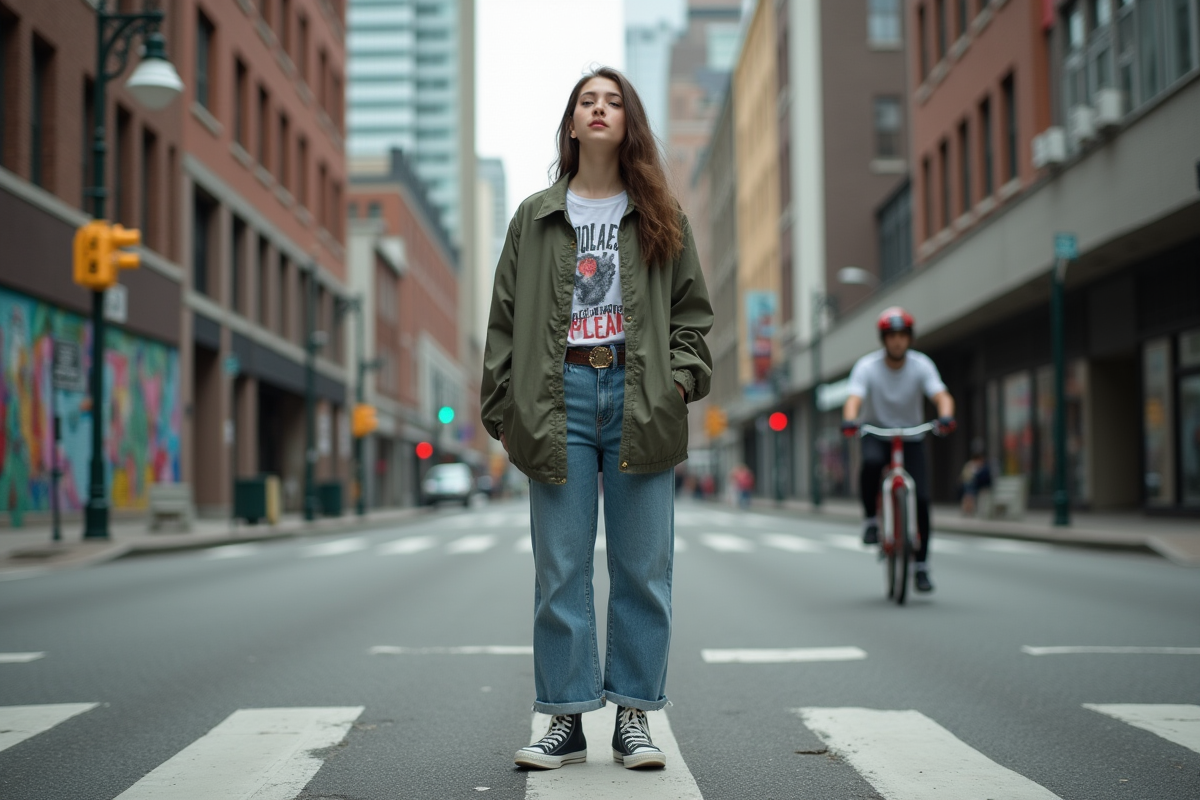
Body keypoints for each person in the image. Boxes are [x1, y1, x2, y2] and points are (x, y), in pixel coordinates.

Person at [480, 66, 713, 771]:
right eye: (588, 101)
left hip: (641, 396)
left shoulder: (660, 214)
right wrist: (504, 407)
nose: (601, 109)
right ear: (573, 124)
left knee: (643, 569)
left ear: (628, 122)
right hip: (560, 398)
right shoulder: (535, 217)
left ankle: (634, 717)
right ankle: (565, 719)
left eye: (614, 101)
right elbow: (504, 319)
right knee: (561, 569)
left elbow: (691, 314)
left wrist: (678, 382)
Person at [841, 307, 955, 593]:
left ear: (910, 338)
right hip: (876, 431)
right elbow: (854, 398)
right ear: (883, 339)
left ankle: (921, 566)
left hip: (912, 435)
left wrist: (946, 416)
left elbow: (941, 395)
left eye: (902, 335)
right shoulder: (867, 366)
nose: (897, 341)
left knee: (923, 499)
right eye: (891, 336)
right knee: (870, 464)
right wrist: (850, 420)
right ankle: (871, 519)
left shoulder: (921, 365)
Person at [958, 439, 993, 516]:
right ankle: (968, 510)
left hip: (975, 484)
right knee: (969, 495)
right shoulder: (972, 464)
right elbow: (966, 475)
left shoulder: (981, 466)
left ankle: (968, 510)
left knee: (969, 495)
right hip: (970, 483)